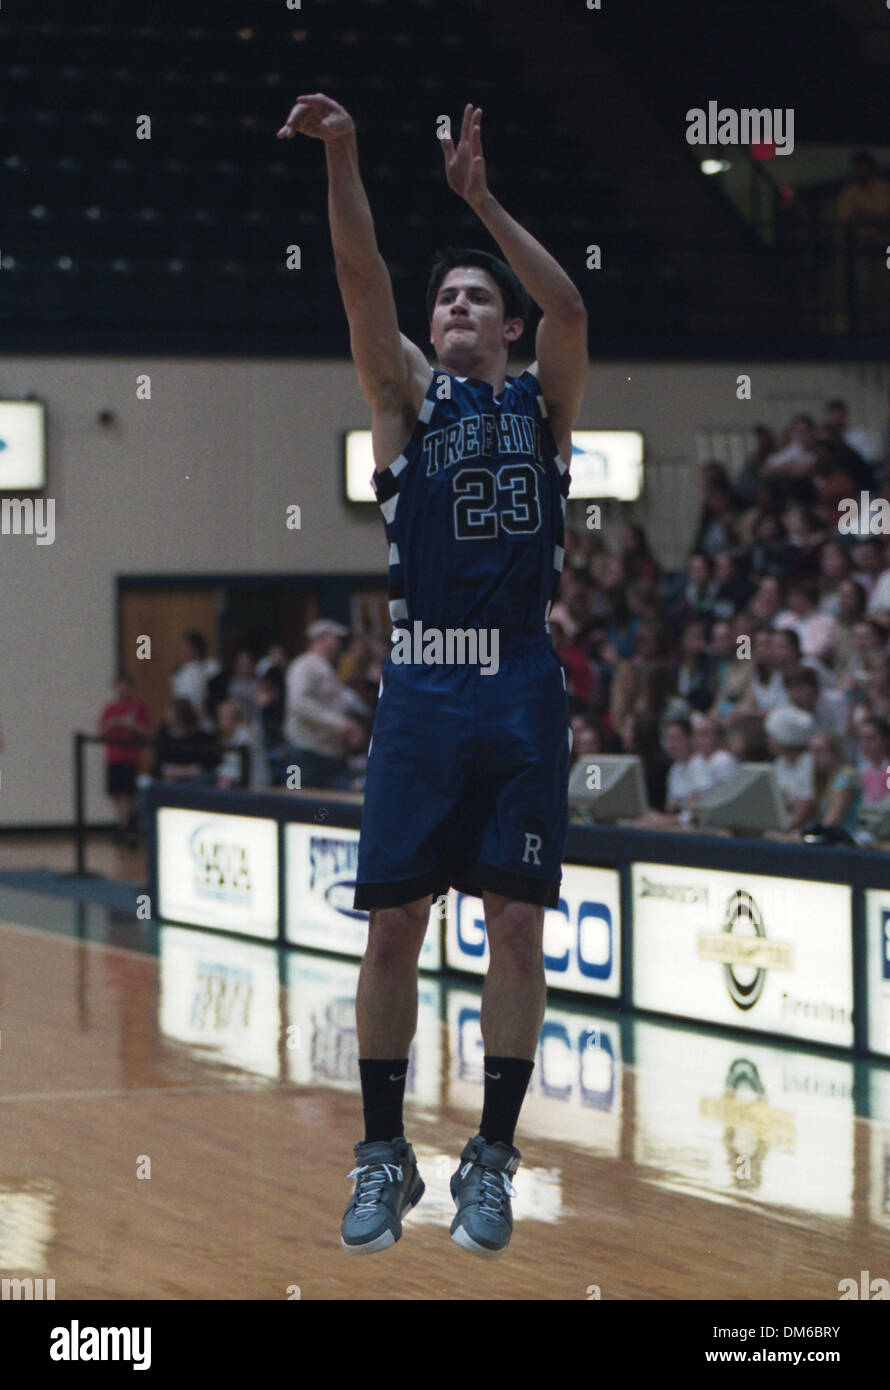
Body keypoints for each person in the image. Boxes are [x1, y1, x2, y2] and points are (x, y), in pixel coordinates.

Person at [280, 93, 588, 1256]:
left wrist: (480, 203)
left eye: (475, 299)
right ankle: (381, 1153)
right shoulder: (408, 401)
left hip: (517, 680)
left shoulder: (545, 403)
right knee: (391, 928)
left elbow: (567, 301)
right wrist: (346, 154)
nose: (456, 306)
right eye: (445, 297)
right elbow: (359, 276)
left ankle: (492, 1160)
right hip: (422, 679)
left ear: (504, 327)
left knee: (515, 926)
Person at [283, 619, 370, 791]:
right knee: (297, 804)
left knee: (332, 808)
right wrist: (341, 724)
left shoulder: (327, 668)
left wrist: (350, 726)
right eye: (335, 638)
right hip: (304, 754)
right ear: (322, 638)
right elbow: (299, 703)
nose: (338, 643)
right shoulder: (304, 665)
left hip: (331, 755)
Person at [98, 673, 153, 846]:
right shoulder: (110, 708)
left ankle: (126, 826)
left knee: (128, 793)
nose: (123, 689)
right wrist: (113, 724)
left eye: (126, 686)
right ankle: (123, 823)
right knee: (115, 792)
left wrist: (130, 725)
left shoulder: (138, 708)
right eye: (120, 686)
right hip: (114, 756)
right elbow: (102, 731)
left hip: (130, 757)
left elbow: (147, 730)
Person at [764, 706, 816, 829]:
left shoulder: (807, 763)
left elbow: (800, 817)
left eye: (771, 736)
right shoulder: (779, 763)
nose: (767, 741)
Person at [810, 732, 861, 837]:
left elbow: (833, 820)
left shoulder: (847, 777)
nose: (813, 757)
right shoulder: (822, 780)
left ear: (835, 753)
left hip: (848, 837)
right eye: (811, 751)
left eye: (819, 751)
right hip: (830, 837)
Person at [169, 631, 221, 715]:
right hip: (185, 716)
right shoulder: (178, 672)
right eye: (183, 648)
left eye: (188, 647)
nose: (184, 651)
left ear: (197, 648)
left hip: (206, 713)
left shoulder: (210, 666)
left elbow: (217, 692)